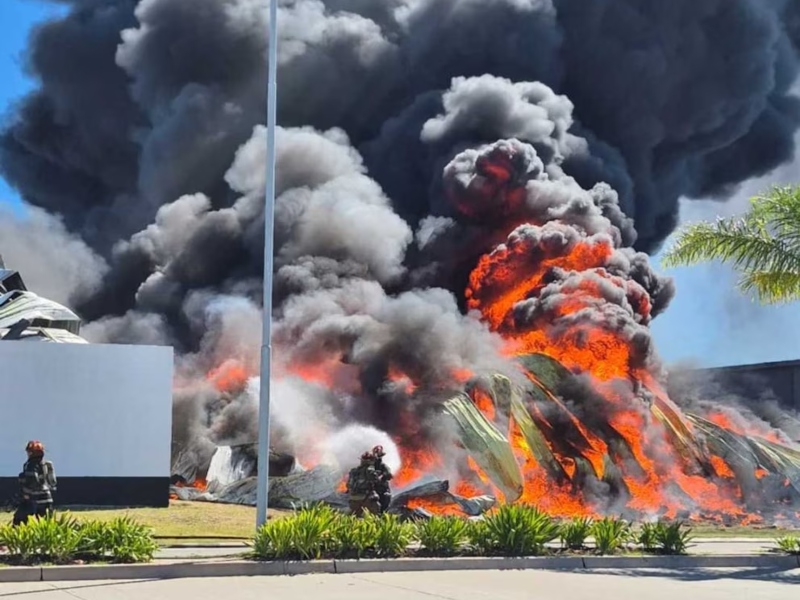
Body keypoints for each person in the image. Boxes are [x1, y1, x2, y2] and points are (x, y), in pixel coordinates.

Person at [13, 440, 57, 526]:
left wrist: (25, 492)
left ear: (30, 452)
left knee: (19, 521)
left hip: (32, 498)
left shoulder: (30, 465)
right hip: (47, 498)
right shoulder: (47, 464)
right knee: (46, 525)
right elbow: (53, 482)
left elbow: (32, 481)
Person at [345, 452, 381, 517]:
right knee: (375, 513)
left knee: (354, 516)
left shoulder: (354, 471)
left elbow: (348, 485)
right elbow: (376, 480)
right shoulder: (370, 470)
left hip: (353, 498)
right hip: (366, 497)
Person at [371, 445, 393, 513]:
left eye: (379, 455)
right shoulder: (369, 467)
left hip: (383, 491)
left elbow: (390, 475)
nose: (377, 457)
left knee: (386, 497)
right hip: (371, 491)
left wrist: (382, 476)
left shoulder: (383, 466)